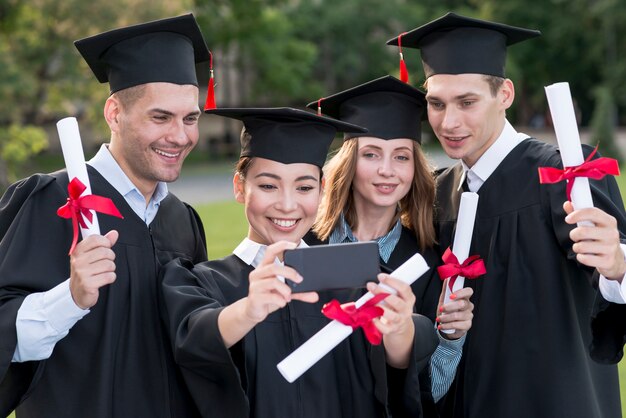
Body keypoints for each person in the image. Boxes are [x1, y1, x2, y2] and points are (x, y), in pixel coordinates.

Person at [387, 12, 626, 418]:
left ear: (505, 95)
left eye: (467, 102)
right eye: (436, 103)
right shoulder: (436, 196)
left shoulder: (565, 173)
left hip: (554, 403)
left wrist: (618, 267)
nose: (450, 122)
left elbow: (610, 295)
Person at [160, 107, 438, 418]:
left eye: (304, 187)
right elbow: (192, 341)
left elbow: (402, 363)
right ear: (240, 187)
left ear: (321, 191)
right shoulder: (205, 281)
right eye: (268, 185)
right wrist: (249, 310)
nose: (288, 204)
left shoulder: (355, 276)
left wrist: (399, 328)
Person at [0, 14, 209, 417]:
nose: (180, 136)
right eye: (160, 117)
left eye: (191, 118)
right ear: (114, 113)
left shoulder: (181, 221)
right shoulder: (53, 202)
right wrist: (71, 298)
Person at [304, 75, 474, 410]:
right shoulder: (306, 245)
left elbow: (431, 392)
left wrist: (451, 338)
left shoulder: (427, 264)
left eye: (401, 156)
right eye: (371, 154)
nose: (387, 170)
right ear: (349, 161)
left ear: (414, 167)